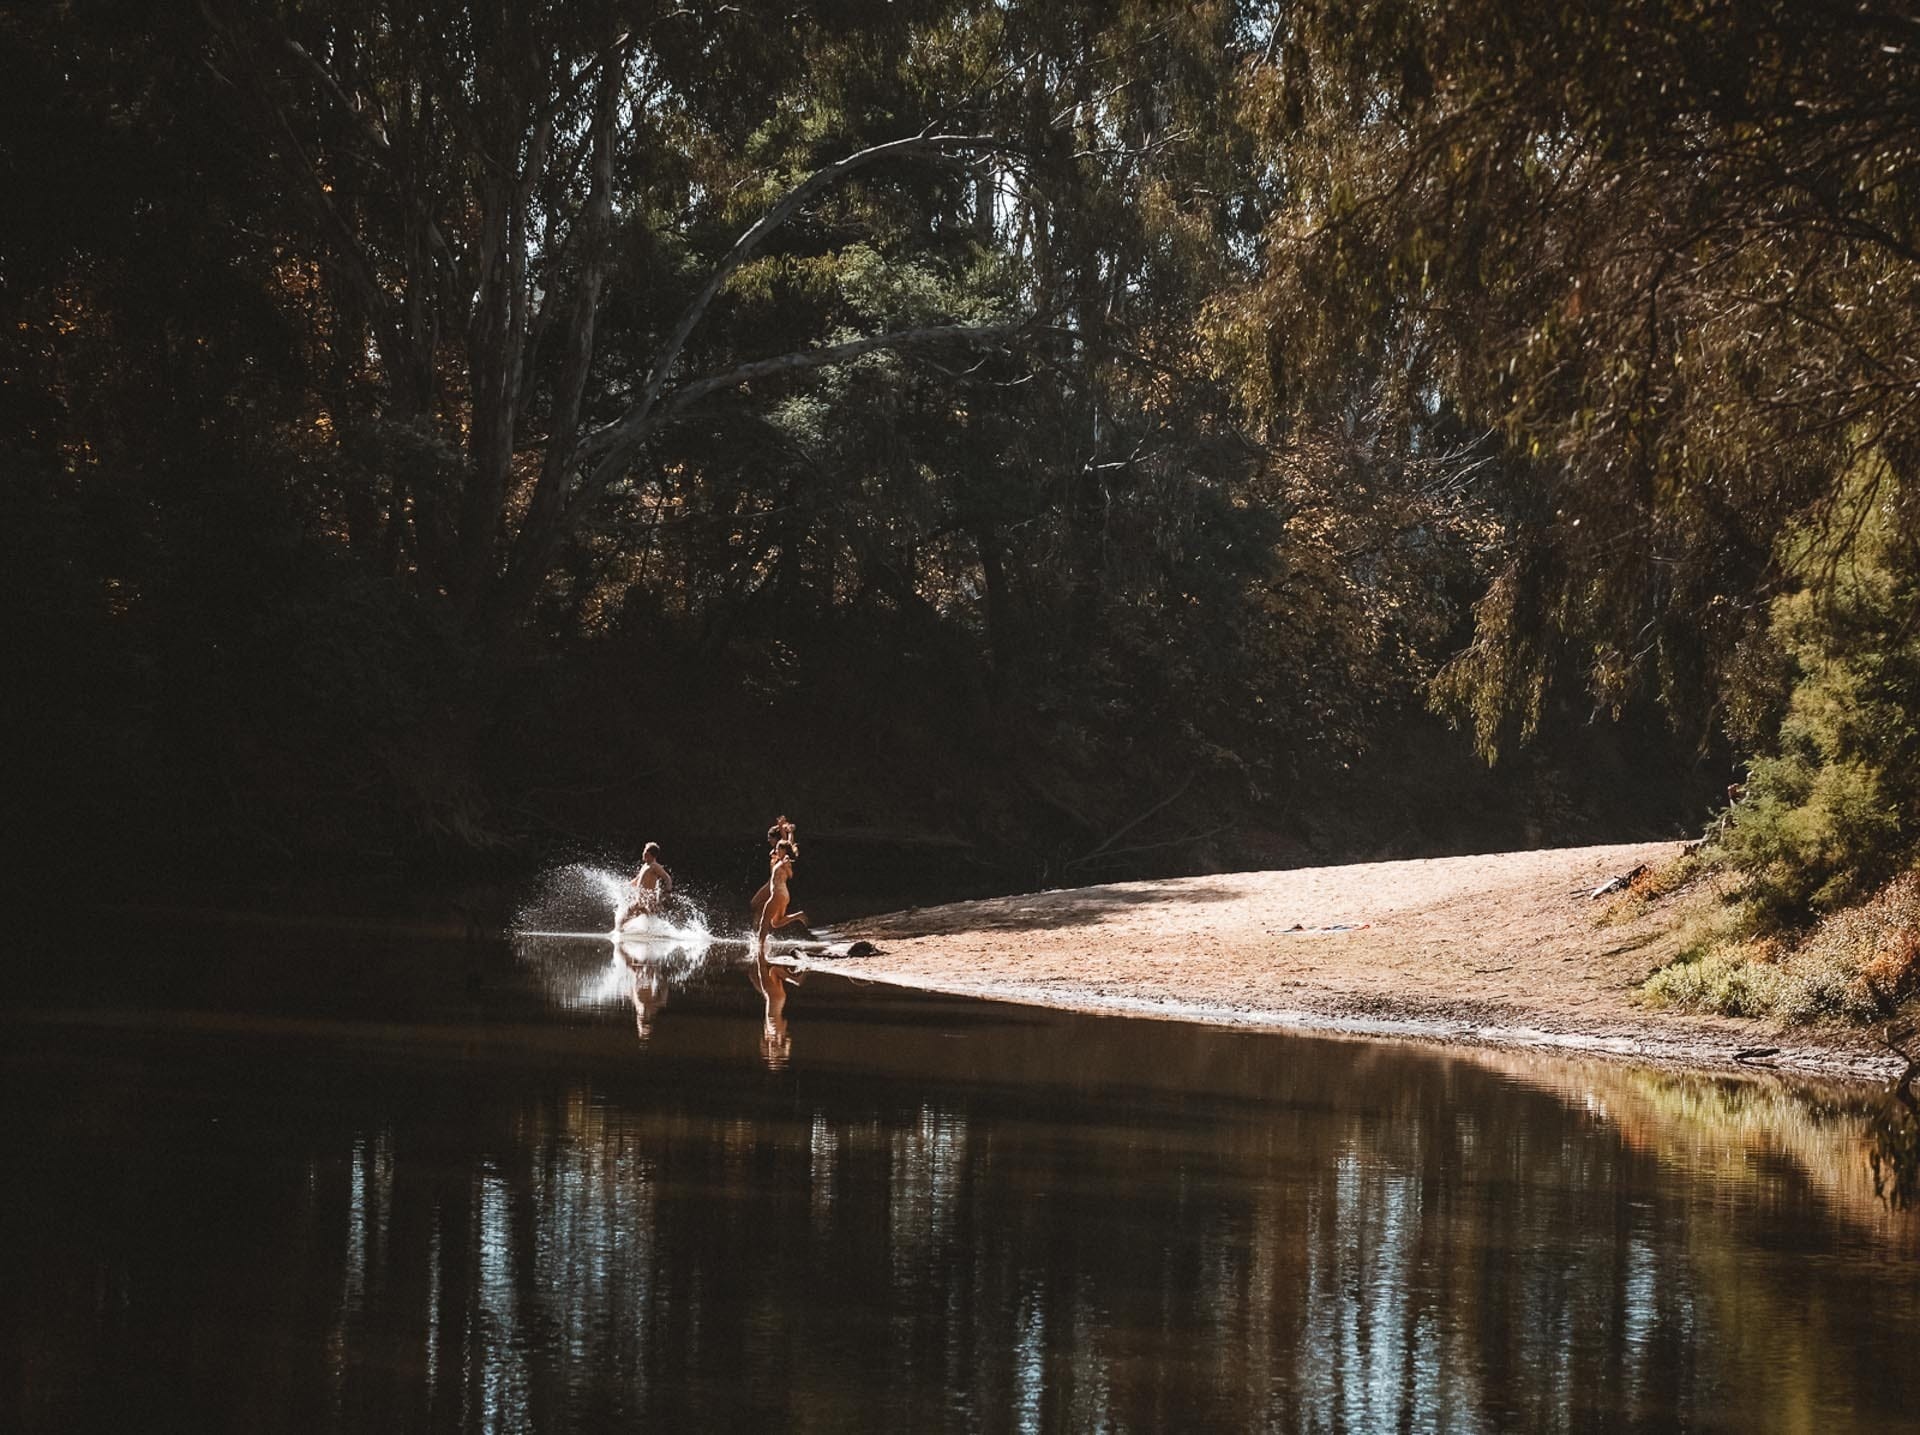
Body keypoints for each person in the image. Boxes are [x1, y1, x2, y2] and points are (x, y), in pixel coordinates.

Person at [754, 839, 807, 956]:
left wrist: (786, 864)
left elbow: (791, 875)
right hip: (782, 895)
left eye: (778, 848)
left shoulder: (785, 859)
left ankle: (759, 948)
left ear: (783, 849)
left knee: (764, 921)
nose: (776, 850)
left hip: (778, 894)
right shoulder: (780, 860)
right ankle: (798, 915)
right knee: (776, 923)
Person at [616, 842, 672, 929]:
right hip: (641, 900)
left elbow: (667, 878)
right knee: (628, 922)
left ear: (648, 853)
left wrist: (668, 891)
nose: (642, 853)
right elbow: (636, 880)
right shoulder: (645, 866)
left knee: (621, 921)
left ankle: (618, 936)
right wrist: (624, 886)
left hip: (647, 901)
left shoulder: (654, 866)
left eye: (644, 851)